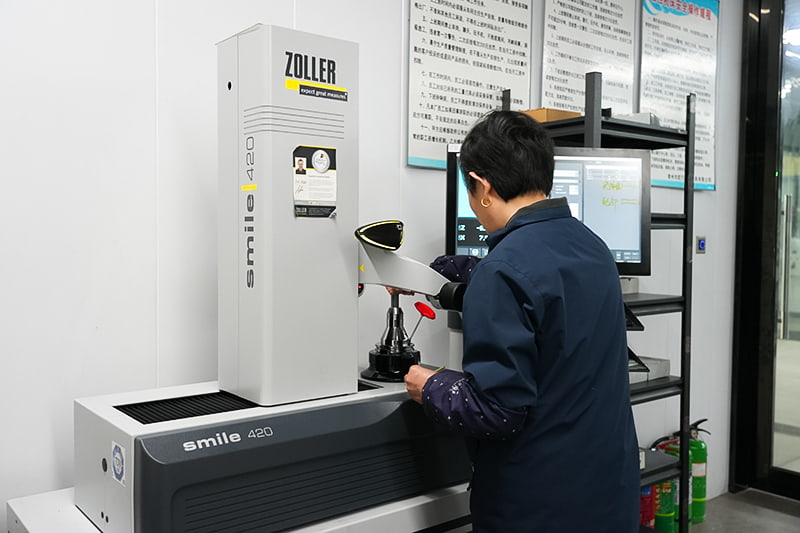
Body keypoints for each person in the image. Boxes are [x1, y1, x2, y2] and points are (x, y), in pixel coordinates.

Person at [404, 110, 640, 532]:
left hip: (538, 506)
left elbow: (497, 412)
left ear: (482, 186)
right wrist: (444, 272)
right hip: (606, 492)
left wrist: (432, 384)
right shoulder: (593, 247)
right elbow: (544, 291)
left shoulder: (503, 271)